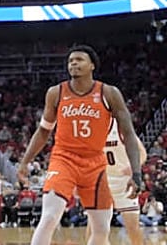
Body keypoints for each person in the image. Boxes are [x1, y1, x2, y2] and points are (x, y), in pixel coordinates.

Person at [18, 44, 142, 245]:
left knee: (101, 228)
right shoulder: (56, 92)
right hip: (64, 159)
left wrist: (136, 173)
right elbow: (43, 131)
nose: (73, 63)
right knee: (49, 217)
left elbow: (128, 134)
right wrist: (25, 162)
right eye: (70, 61)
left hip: (95, 163)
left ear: (92, 65)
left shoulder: (109, 93)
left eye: (79, 59)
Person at [85, 118, 146, 244]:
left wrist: (134, 167)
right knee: (94, 226)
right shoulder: (91, 129)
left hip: (124, 182)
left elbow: (142, 153)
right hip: (102, 180)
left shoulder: (120, 127)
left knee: (133, 227)